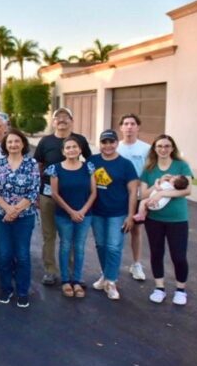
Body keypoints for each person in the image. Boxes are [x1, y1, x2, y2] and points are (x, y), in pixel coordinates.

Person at [33, 107, 92, 286]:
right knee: (49, 235)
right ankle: (50, 271)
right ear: (53, 122)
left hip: (74, 197)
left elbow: (89, 164)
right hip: (48, 195)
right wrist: (36, 192)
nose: (62, 120)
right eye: (58, 117)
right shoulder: (45, 141)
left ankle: (73, 273)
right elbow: (38, 167)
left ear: (72, 121)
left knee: (71, 238)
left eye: (66, 117)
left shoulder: (80, 140)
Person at [139, 134, 193, 305]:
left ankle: (180, 290)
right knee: (156, 253)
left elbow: (187, 190)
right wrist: (157, 185)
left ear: (172, 148)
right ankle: (159, 288)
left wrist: (162, 193)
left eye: (167, 146)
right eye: (160, 146)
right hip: (154, 219)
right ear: (154, 149)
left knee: (179, 256)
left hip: (177, 219)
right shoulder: (149, 169)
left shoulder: (181, 165)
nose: (163, 149)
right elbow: (143, 194)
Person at [0, 129, 40, 308]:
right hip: (2, 216)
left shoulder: (31, 163)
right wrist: (7, 209)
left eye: (16, 141)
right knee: (4, 254)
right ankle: (6, 289)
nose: (13, 145)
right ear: (5, 145)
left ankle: (22, 292)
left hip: (24, 217)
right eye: (10, 142)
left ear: (23, 144)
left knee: (22, 255)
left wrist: (15, 210)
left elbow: (34, 191)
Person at [89, 129, 139, 301]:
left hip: (118, 213)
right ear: (100, 144)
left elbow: (133, 191)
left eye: (111, 142)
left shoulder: (126, 164)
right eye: (104, 142)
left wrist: (130, 215)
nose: (108, 145)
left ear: (117, 143)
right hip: (96, 212)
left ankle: (111, 281)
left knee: (114, 247)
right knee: (101, 245)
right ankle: (105, 275)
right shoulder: (92, 161)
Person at [47, 136, 96, 298]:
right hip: (63, 215)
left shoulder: (88, 167)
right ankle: (65, 281)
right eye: (68, 147)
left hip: (85, 215)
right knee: (65, 246)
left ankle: (77, 280)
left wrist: (82, 211)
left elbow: (93, 192)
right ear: (63, 151)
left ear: (80, 149)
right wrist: (71, 212)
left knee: (80, 247)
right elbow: (55, 194)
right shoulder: (55, 169)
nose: (71, 150)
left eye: (74, 147)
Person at [117, 113, 151, 281]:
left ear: (138, 127)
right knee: (116, 231)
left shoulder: (146, 148)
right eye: (126, 124)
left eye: (132, 124)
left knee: (136, 230)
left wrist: (146, 195)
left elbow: (149, 172)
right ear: (121, 127)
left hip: (138, 196)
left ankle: (136, 264)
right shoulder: (115, 147)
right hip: (118, 195)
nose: (129, 127)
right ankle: (111, 267)